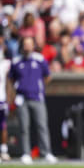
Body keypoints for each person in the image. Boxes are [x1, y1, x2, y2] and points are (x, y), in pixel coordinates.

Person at [7, 37, 57, 165]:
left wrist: (39, 88)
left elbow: (47, 76)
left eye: (29, 44)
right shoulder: (16, 61)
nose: (27, 47)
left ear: (33, 45)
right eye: (25, 44)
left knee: (42, 126)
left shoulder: (40, 59)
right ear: (22, 46)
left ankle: (46, 152)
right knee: (24, 127)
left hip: (37, 97)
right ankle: (26, 153)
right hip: (22, 98)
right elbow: (11, 79)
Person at [0, 29, 11, 161]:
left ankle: (3, 150)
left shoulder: (6, 60)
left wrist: (9, 98)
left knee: (2, 125)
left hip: (1, 97)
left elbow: (9, 82)